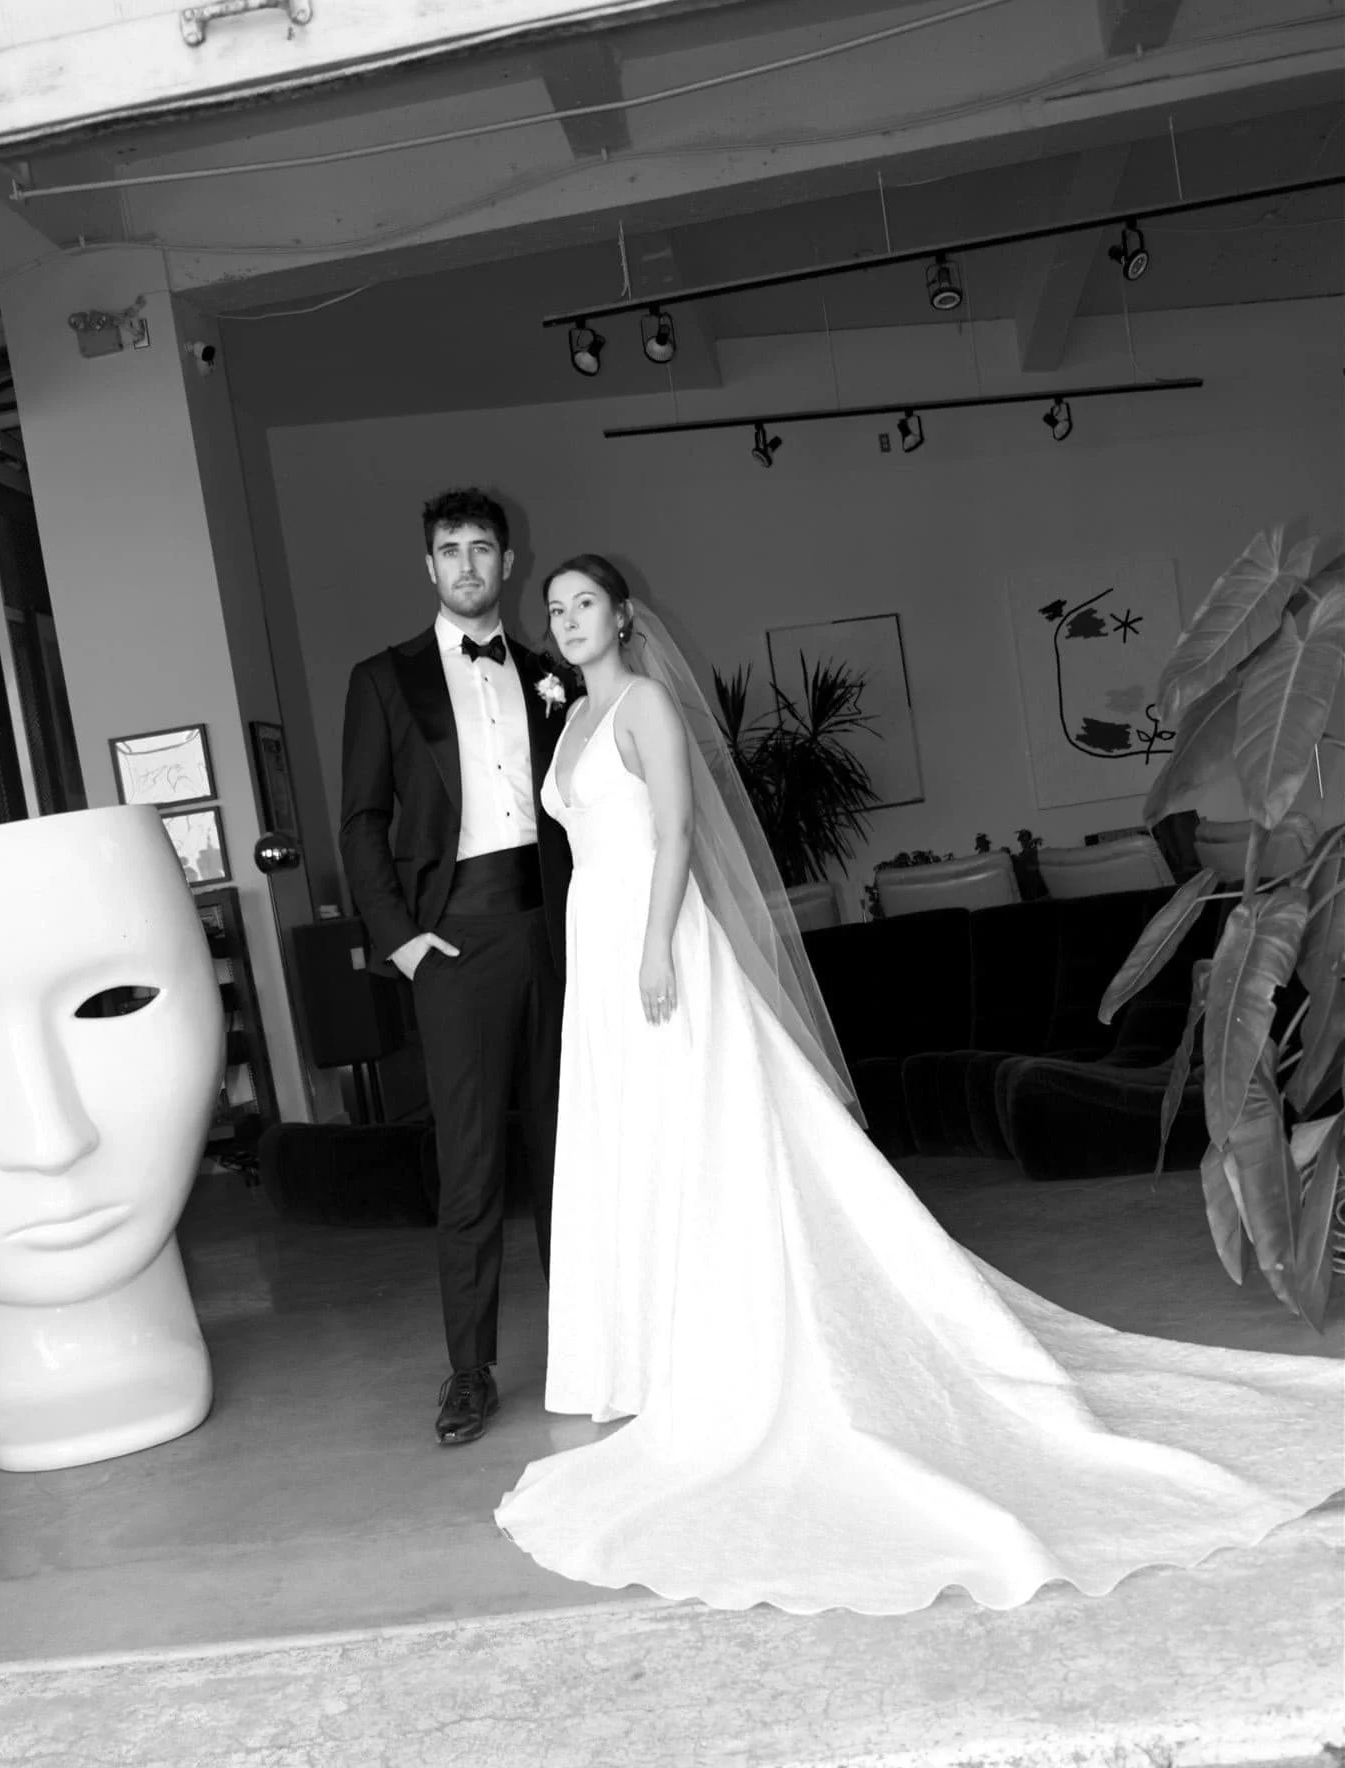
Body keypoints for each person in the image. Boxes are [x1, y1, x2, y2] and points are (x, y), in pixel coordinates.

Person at [494, 554, 1342, 1615]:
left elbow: (672, 835)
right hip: (599, 949)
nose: (569, 620)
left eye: (585, 604)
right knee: (631, 1145)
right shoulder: (570, 723)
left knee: (694, 1139)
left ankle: (725, 1343)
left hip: (654, 946)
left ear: (623, 617)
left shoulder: (648, 704)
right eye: (557, 609)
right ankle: (640, 1352)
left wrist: (658, 945)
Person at [340, 491, 571, 1446]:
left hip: (556, 934)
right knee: (471, 1166)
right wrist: (399, 937)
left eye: (483, 548)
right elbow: (360, 820)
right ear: (428, 569)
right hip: (454, 946)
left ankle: (591, 1349)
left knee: (569, 1155)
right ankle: (468, 1371)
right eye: (450, 550)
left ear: (509, 563)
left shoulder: (554, 674)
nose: (468, 564)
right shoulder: (384, 678)